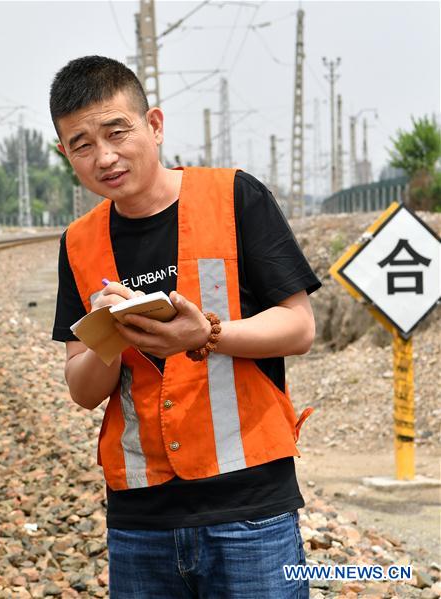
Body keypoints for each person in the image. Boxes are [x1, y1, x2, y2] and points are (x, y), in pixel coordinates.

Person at [49, 56, 321, 598]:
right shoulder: (78, 243)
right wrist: (110, 332)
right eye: (81, 145)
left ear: (153, 124)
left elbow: (299, 327)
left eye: (116, 132)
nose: (104, 157)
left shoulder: (236, 196)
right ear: (65, 154)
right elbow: (82, 390)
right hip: (140, 519)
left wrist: (207, 336)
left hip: (249, 509)